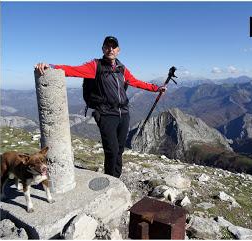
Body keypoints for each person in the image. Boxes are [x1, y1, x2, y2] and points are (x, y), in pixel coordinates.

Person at [35, 36, 167, 178]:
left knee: (119, 150)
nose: (110, 49)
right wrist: (52, 66)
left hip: (124, 114)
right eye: (107, 46)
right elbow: (73, 70)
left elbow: (135, 82)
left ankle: (117, 178)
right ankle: (110, 179)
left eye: (113, 46)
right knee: (112, 150)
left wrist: (156, 88)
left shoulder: (122, 68)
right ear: (103, 49)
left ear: (118, 50)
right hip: (105, 114)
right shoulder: (95, 66)